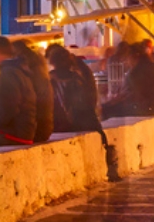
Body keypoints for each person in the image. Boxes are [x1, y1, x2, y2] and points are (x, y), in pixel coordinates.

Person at [47, 44, 120, 181]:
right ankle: (112, 165)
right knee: (103, 138)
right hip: (87, 120)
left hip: (69, 123)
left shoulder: (53, 79)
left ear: (53, 62)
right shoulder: (78, 74)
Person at [101, 44, 154, 119]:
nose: (127, 60)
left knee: (107, 109)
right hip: (153, 107)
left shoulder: (136, 72)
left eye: (127, 57)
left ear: (134, 57)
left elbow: (130, 95)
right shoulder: (150, 67)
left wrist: (111, 103)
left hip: (142, 108)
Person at [12, 40, 54, 143]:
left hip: (32, 132)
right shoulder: (41, 72)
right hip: (44, 129)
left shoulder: (27, 77)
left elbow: (11, 109)